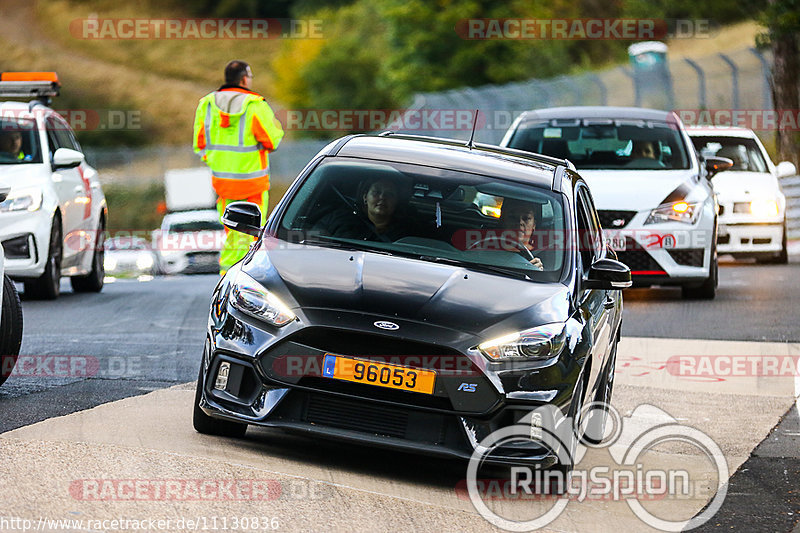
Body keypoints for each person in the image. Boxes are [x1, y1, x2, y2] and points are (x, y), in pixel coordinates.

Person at [193, 60, 284, 275]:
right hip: (253, 182)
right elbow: (273, 139)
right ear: (244, 79)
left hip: (223, 183)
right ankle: (243, 274)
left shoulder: (206, 105)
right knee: (252, 231)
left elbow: (200, 145)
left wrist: (219, 162)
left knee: (232, 231)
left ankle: (228, 272)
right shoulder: (255, 105)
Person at [318, 176, 418, 242]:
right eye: (376, 192)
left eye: (389, 194)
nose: (382, 197)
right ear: (365, 197)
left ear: (396, 202)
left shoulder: (409, 233)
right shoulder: (339, 219)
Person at [497, 198, 544, 270]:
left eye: (526, 218)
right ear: (503, 220)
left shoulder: (543, 256)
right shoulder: (484, 249)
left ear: (534, 225)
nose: (520, 222)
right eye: (513, 217)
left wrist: (537, 272)